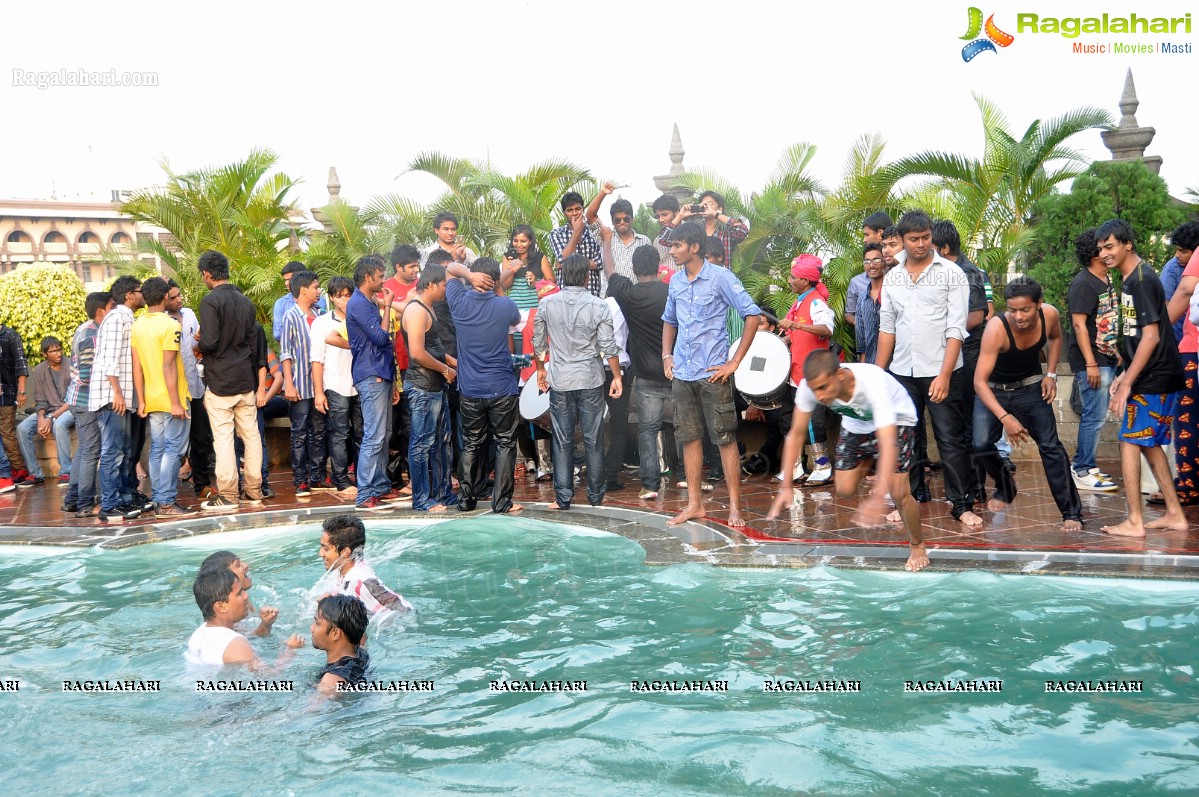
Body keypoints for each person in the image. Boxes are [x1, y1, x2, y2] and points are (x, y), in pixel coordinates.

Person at [767, 351, 929, 572]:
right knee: (843, 488)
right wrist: (786, 485)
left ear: (841, 376)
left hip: (898, 419)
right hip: (857, 421)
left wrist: (879, 497)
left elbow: (888, 442)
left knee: (899, 493)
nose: (820, 396)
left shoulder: (872, 383)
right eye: (815, 390)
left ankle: (917, 545)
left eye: (824, 387)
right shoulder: (809, 388)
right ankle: (870, 460)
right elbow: (796, 433)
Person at [876, 211, 981, 526]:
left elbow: (956, 329)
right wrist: (879, 375)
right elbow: (887, 329)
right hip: (903, 372)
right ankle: (912, 497)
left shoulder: (951, 273)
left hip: (942, 370)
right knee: (908, 439)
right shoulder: (893, 277)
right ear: (903, 241)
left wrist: (945, 375)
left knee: (951, 439)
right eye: (914, 239)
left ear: (931, 236)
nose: (921, 244)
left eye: (925, 238)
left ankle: (961, 505)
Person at [662, 222, 763, 528]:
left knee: (724, 439)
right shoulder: (675, 282)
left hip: (713, 373)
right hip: (683, 372)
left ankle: (735, 508)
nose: (672, 250)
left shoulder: (721, 277)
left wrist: (734, 362)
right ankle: (695, 505)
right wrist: (667, 355)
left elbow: (753, 314)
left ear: (694, 247)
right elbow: (669, 320)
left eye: (677, 245)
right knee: (689, 438)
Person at [1099, 219, 1188, 537]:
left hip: (1155, 376)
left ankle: (1135, 521)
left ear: (1127, 244)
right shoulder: (1131, 279)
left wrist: (1126, 383)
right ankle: (1175, 514)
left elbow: (1150, 337)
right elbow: (1140, 336)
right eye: (1100, 249)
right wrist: (1124, 372)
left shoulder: (1139, 280)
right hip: (1155, 374)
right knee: (1148, 444)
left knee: (1128, 442)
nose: (1104, 253)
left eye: (1109, 246)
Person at [972, 277, 1083, 531]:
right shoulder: (996, 329)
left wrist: (1051, 374)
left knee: (1051, 446)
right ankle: (1006, 486)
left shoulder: (1050, 315)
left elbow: (1056, 339)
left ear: (1039, 304)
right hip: (992, 390)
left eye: (1025, 309)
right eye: (1012, 310)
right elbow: (979, 382)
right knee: (980, 444)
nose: (1019, 316)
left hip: (1030, 388)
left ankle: (1071, 512)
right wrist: (1005, 418)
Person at [534, 253, 622, 510]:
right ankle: (596, 496)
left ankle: (563, 497)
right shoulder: (599, 305)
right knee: (593, 438)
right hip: (591, 379)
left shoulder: (547, 305)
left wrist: (540, 370)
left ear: (562, 276)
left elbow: (539, 344)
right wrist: (616, 376)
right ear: (586, 276)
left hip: (560, 380)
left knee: (562, 440)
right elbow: (608, 346)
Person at [445, 257, 524, 513]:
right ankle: (502, 503)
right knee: (504, 443)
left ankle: (465, 500)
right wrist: (497, 286)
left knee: (471, 443)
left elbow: (449, 269)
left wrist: (467, 274)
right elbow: (514, 318)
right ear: (493, 280)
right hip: (502, 387)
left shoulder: (458, 301)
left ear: (475, 278)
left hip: (470, 388)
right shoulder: (504, 305)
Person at [196, 250, 266, 512]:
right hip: (244, 379)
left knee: (224, 439)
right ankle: (254, 491)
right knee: (251, 436)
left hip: (220, 381)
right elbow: (250, 342)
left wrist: (199, 343)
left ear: (207, 274)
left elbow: (211, 342)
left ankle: (227, 495)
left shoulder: (210, 302)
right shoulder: (245, 301)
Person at [932, 219, 992, 505]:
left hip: (969, 356)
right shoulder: (942, 272)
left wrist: (941, 326)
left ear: (944, 247)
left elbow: (977, 316)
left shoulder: (968, 273)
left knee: (969, 424)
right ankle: (964, 486)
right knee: (956, 424)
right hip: (950, 356)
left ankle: (975, 487)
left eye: (930, 246)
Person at [607, 245, 674, 500]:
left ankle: (650, 484)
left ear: (634, 269)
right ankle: (687, 479)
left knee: (647, 429)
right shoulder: (671, 292)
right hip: (674, 370)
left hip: (645, 374)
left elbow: (611, 271)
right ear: (658, 267)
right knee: (682, 427)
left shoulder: (629, 294)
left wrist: (606, 242)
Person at [131, 276, 195, 518]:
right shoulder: (170, 326)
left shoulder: (139, 324)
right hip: (172, 399)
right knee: (173, 450)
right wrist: (177, 402)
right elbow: (169, 367)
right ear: (165, 297)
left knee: (157, 449)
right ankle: (166, 502)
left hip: (152, 398)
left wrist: (142, 400)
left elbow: (137, 366)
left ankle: (160, 500)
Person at [346, 255, 402, 511]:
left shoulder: (367, 301)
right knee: (374, 435)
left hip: (381, 373)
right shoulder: (358, 303)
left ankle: (379, 485)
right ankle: (365, 491)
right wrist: (387, 307)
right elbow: (381, 338)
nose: (383, 280)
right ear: (368, 277)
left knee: (384, 433)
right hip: (371, 374)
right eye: (380, 276)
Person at [1066, 228, 1120, 492]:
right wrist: (1090, 363)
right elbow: (1078, 325)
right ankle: (1081, 469)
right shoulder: (1084, 283)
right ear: (1094, 253)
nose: (1107, 251)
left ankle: (1087, 464)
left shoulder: (1105, 279)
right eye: (1102, 247)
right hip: (1092, 360)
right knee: (1093, 415)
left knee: (1096, 415)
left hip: (1105, 356)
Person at [90, 275, 148, 522]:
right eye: (139, 290)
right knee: (113, 452)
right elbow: (108, 360)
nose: (143, 294)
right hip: (112, 397)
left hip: (123, 396)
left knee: (124, 451)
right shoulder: (115, 318)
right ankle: (110, 504)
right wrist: (117, 393)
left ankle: (125, 497)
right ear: (129, 295)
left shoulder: (127, 318)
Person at [401, 262, 458, 512]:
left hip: (435, 388)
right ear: (432, 284)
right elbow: (416, 353)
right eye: (444, 284)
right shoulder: (416, 311)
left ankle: (442, 493)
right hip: (422, 387)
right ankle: (422, 499)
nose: (446, 289)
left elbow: (433, 346)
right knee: (422, 445)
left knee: (441, 443)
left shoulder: (428, 308)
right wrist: (445, 369)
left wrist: (450, 360)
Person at [779, 254, 835, 485]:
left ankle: (823, 467)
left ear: (805, 280)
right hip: (796, 372)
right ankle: (796, 468)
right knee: (797, 421)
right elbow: (795, 336)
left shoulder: (815, 302)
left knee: (813, 422)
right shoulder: (799, 301)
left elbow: (826, 329)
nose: (789, 280)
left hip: (812, 374)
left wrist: (796, 325)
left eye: (793, 277)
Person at [185, 566, 301, 667]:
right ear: (221, 607)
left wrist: (266, 624)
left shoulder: (199, 634)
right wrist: (288, 653)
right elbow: (267, 680)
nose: (246, 596)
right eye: (240, 593)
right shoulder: (236, 644)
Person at [61, 292, 113, 516]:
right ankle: (85, 504)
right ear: (101, 311)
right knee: (92, 451)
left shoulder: (85, 329)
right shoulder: (93, 336)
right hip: (86, 400)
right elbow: (86, 375)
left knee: (84, 449)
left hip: (77, 399)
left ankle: (73, 499)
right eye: (112, 306)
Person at [311, 276, 360, 500]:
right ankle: (340, 480)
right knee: (340, 433)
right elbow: (316, 360)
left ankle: (363, 477)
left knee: (362, 433)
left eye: (348, 295)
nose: (344, 300)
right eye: (339, 296)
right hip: (335, 384)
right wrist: (319, 393)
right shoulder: (322, 322)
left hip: (360, 383)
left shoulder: (359, 317)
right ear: (331, 298)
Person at [166, 281, 215, 502]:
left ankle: (202, 485)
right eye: (174, 297)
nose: (179, 300)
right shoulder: (162, 322)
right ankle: (166, 493)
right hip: (174, 391)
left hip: (195, 385)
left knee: (201, 437)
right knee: (173, 443)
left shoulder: (190, 315)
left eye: (179, 295)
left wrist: (200, 342)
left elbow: (197, 348)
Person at [280, 270, 326, 498]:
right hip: (300, 384)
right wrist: (288, 383)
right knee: (299, 432)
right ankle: (300, 480)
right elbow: (285, 353)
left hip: (320, 384)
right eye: (316, 287)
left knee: (319, 431)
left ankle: (317, 477)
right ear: (303, 290)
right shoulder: (291, 316)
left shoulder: (320, 315)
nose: (319, 291)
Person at [1162, 221, 1199, 504]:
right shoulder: (1174, 266)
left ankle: (1187, 486)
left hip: (1193, 349)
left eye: (1184, 250)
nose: (1178, 255)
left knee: (1187, 419)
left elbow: (1185, 293)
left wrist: (1155, 331)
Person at [317, 515, 413, 614]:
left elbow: (405, 610)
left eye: (326, 549)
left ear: (345, 552)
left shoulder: (361, 582)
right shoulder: (343, 571)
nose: (320, 554)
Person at [16, 336, 74, 487]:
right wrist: (41, 417)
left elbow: (73, 399)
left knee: (59, 425)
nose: (58, 353)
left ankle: (66, 472)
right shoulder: (40, 370)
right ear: (44, 354)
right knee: (22, 428)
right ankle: (35, 473)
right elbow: (40, 399)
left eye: (59, 349)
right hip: (48, 410)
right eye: (53, 351)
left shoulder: (71, 364)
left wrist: (51, 418)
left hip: (70, 409)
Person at [198, 549, 279, 637]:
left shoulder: (242, 596)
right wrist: (266, 624)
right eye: (237, 564)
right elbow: (249, 638)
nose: (246, 565)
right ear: (225, 575)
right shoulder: (229, 610)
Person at [549, 190, 606, 297]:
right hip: (565, 298)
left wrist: (569, 264)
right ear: (564, 212)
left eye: (578, 209)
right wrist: (576, 231)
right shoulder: (556, 234)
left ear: (583, 209)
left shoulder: (594, 232)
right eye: (570, 210)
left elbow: (601, 262)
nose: (574, 213)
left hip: (592, 296)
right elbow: (563, 260)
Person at [675, 190, 749, 270]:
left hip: (720, 278)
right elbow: (665, 240)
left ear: (719, 208)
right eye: (703, 204)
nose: (706, 206)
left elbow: (742, 230)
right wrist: (680, 216)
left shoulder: (727, 230)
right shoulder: (695, 229)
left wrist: (716, 214)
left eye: (710, 204)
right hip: (695, 278)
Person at [311, 594, 371, 693]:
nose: (312, 628)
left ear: (335, 633)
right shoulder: (362, 654)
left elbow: (313, 708)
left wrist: (288, 653)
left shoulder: (331, 681)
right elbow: (359, 628)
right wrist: (328, 606)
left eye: (317, 623)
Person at [0, 321, 31, 485]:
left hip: (8, 392)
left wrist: (22, 391)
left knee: (6, 432)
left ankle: (19, 469)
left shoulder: (10, 335)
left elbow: (21, 363)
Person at [599, 197, 651, 283]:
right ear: (612, 221)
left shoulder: (644, 241)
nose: (622, 222)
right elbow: (590, 216)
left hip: (636, 293)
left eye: (626, 219)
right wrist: (603, 193)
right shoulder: (605, 239)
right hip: (611, 294)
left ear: (632, 219)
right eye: (617, 220)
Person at [272, 261, 326, 342]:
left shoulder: (319, 302)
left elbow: (324, 330)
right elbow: (278, 334)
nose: (286, 283)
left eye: (290, 279)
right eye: (285, 280)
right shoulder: (281, 304)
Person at [854, 243, 887, 365]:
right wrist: (864, 368)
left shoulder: (892, 293)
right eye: (867, 261)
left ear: (884, 262)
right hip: (870, 363)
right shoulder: (862, 299)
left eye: (876, 260)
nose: (871, 265)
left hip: (894, 365)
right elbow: (861, 338)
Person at [651, 193, 682, 268]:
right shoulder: (657, 241)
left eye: (665, 215)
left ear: (676, 213)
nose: (661, 220)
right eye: (658, 216)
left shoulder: (690, 232)